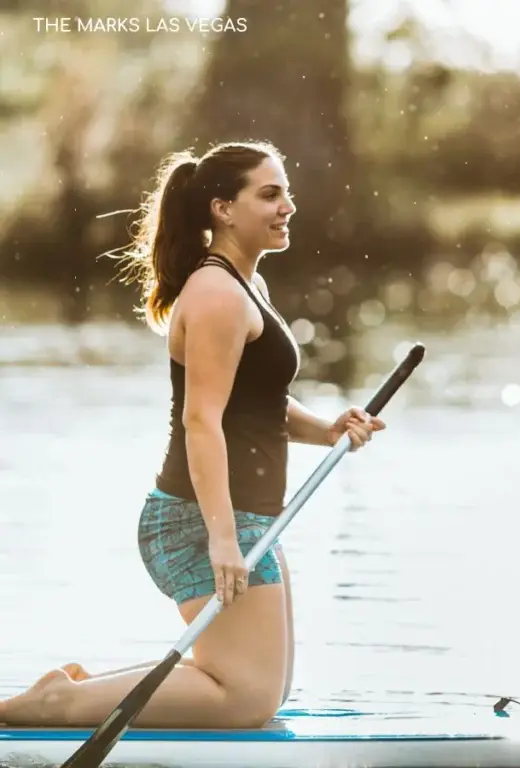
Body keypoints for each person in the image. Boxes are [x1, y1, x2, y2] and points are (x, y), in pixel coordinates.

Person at [0, 140, 385, 728]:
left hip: (241, 516)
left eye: (286, 193)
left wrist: (326, 428)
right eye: (270, 194)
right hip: (199, 520)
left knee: (263, 691)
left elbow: (255, 403)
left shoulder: (246, 287)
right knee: (245, 698)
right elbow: (201, 420)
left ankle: (74, 691)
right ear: (223, 209)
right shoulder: (216, 294)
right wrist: (222, 539)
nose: (287, 207)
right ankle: (57, 705)